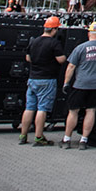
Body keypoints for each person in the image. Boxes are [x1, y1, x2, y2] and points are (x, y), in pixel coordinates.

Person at [62, 21, 96, 150]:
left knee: (73, 111)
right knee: (91, 111)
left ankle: (66, 139)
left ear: (89, 33)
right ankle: (83, 140)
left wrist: (66, 83)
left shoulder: (80, 48)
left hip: (80, 84)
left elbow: (71, 66)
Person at [18, 17, 66, 146]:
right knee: (42, 108)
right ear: (54, 29)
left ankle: (23, 135)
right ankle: (39, 136)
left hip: (33, 78)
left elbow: (28, 58)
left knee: (29, 107)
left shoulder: (34, 41)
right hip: (47, 79)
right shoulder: (54, 43)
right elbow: (61, 60)